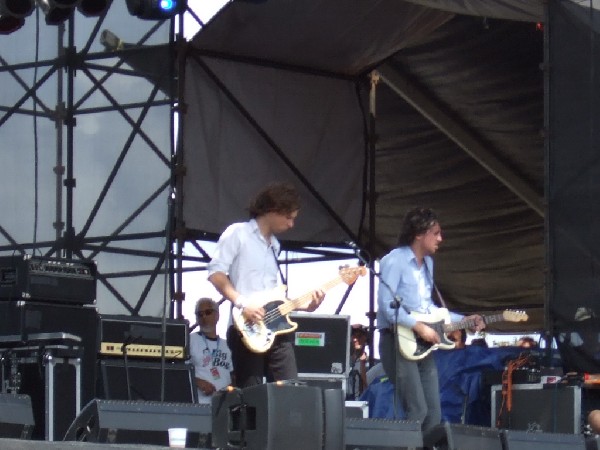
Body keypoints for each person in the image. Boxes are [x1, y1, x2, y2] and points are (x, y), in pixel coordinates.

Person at [376, 207, 485, 432]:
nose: (440, 239)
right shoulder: (394, 261)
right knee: (417, 410)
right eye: (435, 233)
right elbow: (387, 306)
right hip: (396, 341)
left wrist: (465, 320)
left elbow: (429, 309)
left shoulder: (428, 264)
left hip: (421, 346)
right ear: (419, 234)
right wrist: (418, 326)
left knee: (433, 413)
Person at [207, 182, 325, 387]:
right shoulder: (238, 233)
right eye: (288, 217)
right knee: (251, 393)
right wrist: (243, 303)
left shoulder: (275, 246)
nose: (291, 224)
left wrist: (304, 305)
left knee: (290, 388)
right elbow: (215, 273)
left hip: (275, 327)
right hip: (245, 326)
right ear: (273, 210)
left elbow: (272, 296)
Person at [188, 297, 234, 404]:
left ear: (217, 315)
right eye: (200, 314)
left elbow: (234, 375)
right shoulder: (190, 340)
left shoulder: (227, 345)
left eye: (208, 312)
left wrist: (230, 390)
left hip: (223, 405)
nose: (204, 317)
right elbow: (179, 372)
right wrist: (198, 382)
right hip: (198, 404)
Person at [347, 324, 369, 400]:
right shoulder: (344, 359)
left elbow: (366, 385)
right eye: (354, 336)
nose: (356, 339)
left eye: (359, 336)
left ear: (365, 339)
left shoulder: (365, 360)